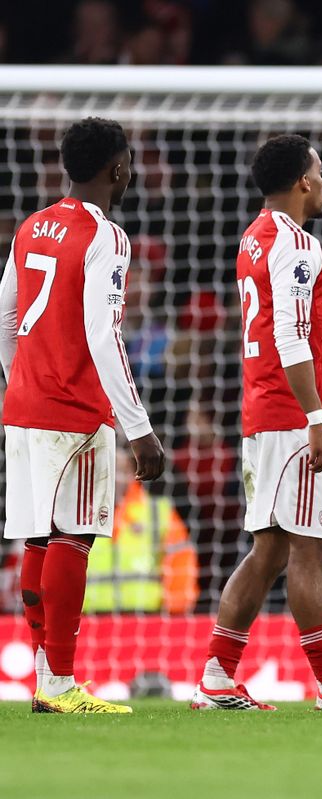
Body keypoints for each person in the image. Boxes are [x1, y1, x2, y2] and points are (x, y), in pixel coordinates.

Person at [190, 134, 322, 712]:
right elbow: (289, 334)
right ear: (303, 181)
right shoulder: (297, 244)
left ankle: (217, 678)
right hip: (292, 416)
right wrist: (315, 418)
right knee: (311, 551)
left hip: (262, 413)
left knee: (271, 551)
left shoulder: (254, 236)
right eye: (320, 174)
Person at [0, 117, 166, 713]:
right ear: (117, 168)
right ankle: (62, 684)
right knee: (73, 537)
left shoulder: (31, 226)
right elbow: (104, 333)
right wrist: (139, 429)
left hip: (23, 407)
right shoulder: (106, 236)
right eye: (129, 163)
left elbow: (5, 317)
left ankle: (47, 681)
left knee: (38, 539)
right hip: (74, 411)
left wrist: (20, 381)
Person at [83, 448, 198, 615]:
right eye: (104, 471)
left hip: (146, 619)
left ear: (132, 473)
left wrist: (174, 613)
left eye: (119, 470)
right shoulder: (75, 515)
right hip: (86, 620)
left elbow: (181, 562)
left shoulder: (158, 512)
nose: (112, 477)